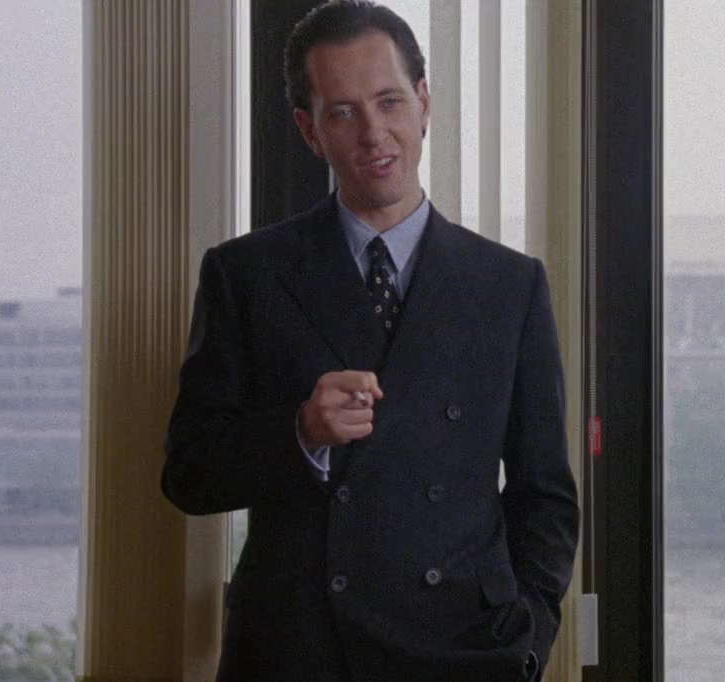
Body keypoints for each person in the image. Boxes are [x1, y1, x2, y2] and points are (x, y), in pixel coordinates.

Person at [160, 2, 580, 679]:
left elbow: (545, 497)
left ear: (424, 104)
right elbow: (188, 473)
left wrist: (526, 644)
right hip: (297, 654)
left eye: (389, 102)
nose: (374, 134)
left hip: (462, 653)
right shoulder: (246, 274)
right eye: (342, 112)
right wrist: (300, 431)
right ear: (309, 130)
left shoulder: (510, 284)